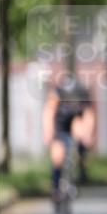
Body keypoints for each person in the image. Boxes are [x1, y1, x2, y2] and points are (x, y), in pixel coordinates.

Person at [42, 73, 96, 204]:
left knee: (80, 142)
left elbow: (89, 115)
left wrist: (88, 135)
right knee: (57, 156)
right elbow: (49, 113)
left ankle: (81, 169)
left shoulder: (82, 94)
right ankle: (56, 187)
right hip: (59, 124)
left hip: (75, 122)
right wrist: (48, 132)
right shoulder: (56, 94)